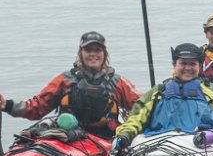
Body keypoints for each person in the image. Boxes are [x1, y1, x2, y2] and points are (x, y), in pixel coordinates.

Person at [0, 31, 141, 140]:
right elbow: (38, 106)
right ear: (81, 53)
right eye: (88, 50)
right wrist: (7, 105)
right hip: (67, 137)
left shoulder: (117, 82)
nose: (93, 54)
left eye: (97, 50)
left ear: (104, 54)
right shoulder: (65, 80)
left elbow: (142, 107)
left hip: (105, 139)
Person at [113, 43, 213, 154]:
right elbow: (135, 119)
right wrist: (124, 135)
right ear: (174, 65)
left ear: (200, 67)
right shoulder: (158, 92)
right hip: (158, 144)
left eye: (192, 64)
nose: (188, 68)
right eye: (183, 63)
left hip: (203, 143)